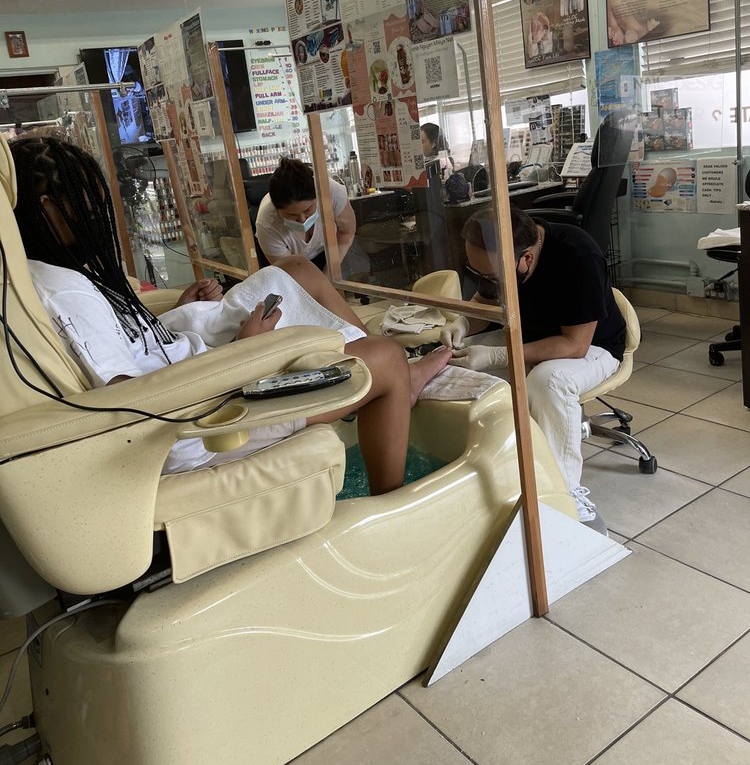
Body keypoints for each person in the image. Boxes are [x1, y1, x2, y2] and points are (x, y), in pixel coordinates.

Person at [10, 136, 450, 494]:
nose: (97, 211)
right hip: (205, 423)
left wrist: (169, 321)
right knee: (384, 358)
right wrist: (243, 353)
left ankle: (379, 373)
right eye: (87, 199)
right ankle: (389, 483)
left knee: (296, 270)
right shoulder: (63, 291)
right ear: (47, 206)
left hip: (194, 368)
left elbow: (127, 354)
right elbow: (132, 402)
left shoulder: (52, 273)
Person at [440, 205, 626, 534]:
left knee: (547, 381)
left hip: (594, 346)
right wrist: (462, 323)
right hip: (532, 335)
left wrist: (498, 355)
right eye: (477, 273)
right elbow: (485, 301)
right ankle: (490, 477)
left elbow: (575, 345)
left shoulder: (578, 255)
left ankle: (564, 494)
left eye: (491, 276)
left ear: (526, 258)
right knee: (452, 364)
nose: (485, 281)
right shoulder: (502, 254)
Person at [255, 157, 356, 273]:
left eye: (308, 209)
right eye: (291, 215)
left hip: (326, 251)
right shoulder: (267, 225)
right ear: (277, 210)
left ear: (317, 197)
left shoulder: (331, 192)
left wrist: (329, 274)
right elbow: (294, 273)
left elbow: (346, 233)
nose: (302, 220)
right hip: (289, 263)